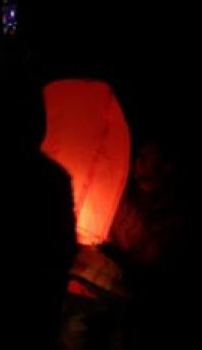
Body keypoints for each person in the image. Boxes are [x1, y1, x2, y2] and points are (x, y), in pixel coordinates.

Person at [59, 140, 184, 350]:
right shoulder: (116, 189)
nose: (137, 160)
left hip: (127, 298)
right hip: (87, 284)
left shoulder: (170, 216)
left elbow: (153, 260)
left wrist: (115, 249)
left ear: (166, 167)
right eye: (139, 154)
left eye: (146, 156)